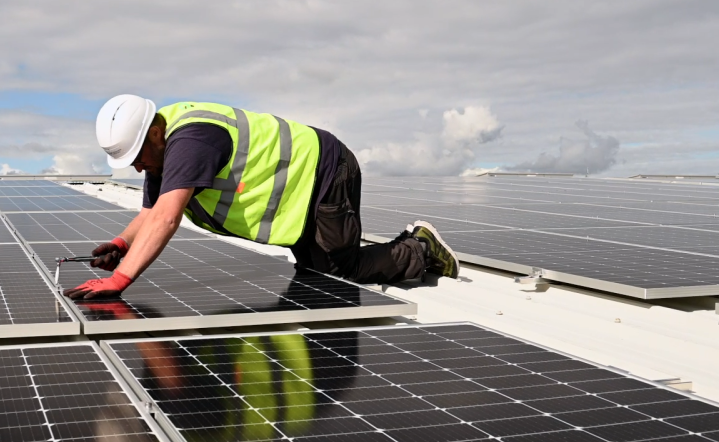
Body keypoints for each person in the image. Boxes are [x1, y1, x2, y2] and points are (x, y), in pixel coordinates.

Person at [63, 95, 459, 300]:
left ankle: (421, 248)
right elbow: (150, 213)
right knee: (317, 276)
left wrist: (120, 278)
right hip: (299, 196)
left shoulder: (190, 141)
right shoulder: (162, 154)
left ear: (154, 132)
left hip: (323, 172)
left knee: (343, 270)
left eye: (137, 158)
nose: (136, 169)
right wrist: (120, 244)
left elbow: (167, 219)